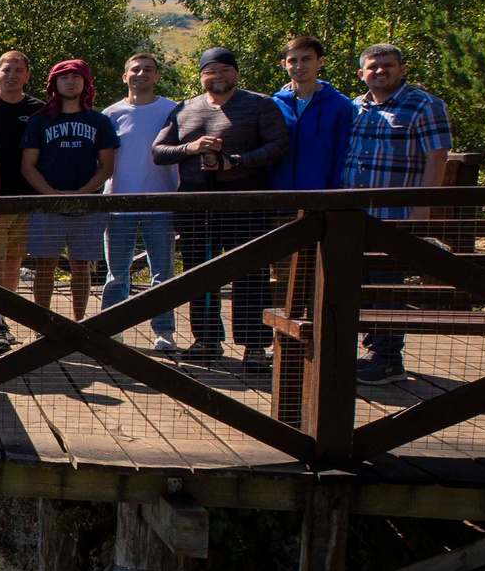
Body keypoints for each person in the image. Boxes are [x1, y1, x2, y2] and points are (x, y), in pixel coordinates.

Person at [153, 46, 290, 373]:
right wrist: (192, 147)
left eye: (224, 69)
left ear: (236, 73)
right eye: (210, 71)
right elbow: (159, 151)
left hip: (245, 202)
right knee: (199, 274)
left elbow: (279, 145)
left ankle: (255, 346)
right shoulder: (185, 109)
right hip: (195, 204)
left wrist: (236, 162)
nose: (217, 76)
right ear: (201, 76)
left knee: (250, 275)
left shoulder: (260, 104)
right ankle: (206, 339)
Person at [343, 42, 456, 385]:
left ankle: (389, 359)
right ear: (361, 73)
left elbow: (438, 158)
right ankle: (374, 352)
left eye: (387, 65)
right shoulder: (355, 107)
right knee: (360, 285)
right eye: (372, 67)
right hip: (353, 213)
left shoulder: (425, 105)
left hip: (395, 213)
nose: (380, 71)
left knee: (387, 286)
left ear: (402, 69)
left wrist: (421, 209)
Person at [20, 59, 119, 318]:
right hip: (47, 204)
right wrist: (51, 194)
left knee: (81, 265)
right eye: (64, 77)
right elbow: (28, 166)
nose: (70, 81)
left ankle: (78, 323)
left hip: (87, 205)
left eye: (76, 76)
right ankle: (44, 323)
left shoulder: (99, 121)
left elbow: (106, 167)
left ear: (86, 82)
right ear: (54, 83)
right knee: (45, 264)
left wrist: (83, 193)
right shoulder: (40, 121)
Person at [101, 52, 181, 351]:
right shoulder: (110, 113)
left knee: (162, 272)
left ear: (157, 76)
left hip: (161, 201)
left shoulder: (173, 110)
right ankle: (110, 328)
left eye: (148, 70)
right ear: (125, 76)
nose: (141, 74)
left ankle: (164, 332)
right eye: (135, 69)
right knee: (116, 273)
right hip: (118, 203)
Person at [0, 50, 44, 350]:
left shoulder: (39, 109)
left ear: (27, 75)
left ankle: (5, 316)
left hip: (25, 199)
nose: (12, 75)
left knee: (14, 260)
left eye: (18, 70)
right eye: (6, 69)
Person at [270, 33, 356, 191]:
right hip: (279, 197)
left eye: (306, 59)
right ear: (284, 64)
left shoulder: (340, 105)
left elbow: (342, 155)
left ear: (320, 61)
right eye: (292, 60)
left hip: (320, 196)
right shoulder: (274, 104)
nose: (299, 66)